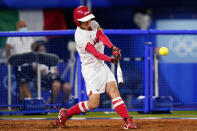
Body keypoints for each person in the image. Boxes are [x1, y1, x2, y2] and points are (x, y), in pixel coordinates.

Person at [56, 6, 137, 129]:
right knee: (93, 104)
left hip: (101, 65)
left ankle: (128, 120)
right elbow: (95, 53)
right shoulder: (80, 36)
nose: (88, 22)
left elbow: (101, 35)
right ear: (78, 22)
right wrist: (111, 59)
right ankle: (66, 113)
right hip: (91, 70)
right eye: (84, 20)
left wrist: (112, 48)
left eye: (88, 19)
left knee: (114, 90)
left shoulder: (93, 23)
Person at [6, 20, 35, 103]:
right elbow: (8, 47)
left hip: (28, 64)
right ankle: (31, 101)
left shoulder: (28, 34)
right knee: (24, 84)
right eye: (22, 26)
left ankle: (21, 103)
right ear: (17, 27)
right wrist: (9, 58)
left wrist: (31, 52)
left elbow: (34, 44)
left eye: (25, 26)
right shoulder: (12, 34)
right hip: (19, 64)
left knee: (23, 85)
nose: (24, 28)